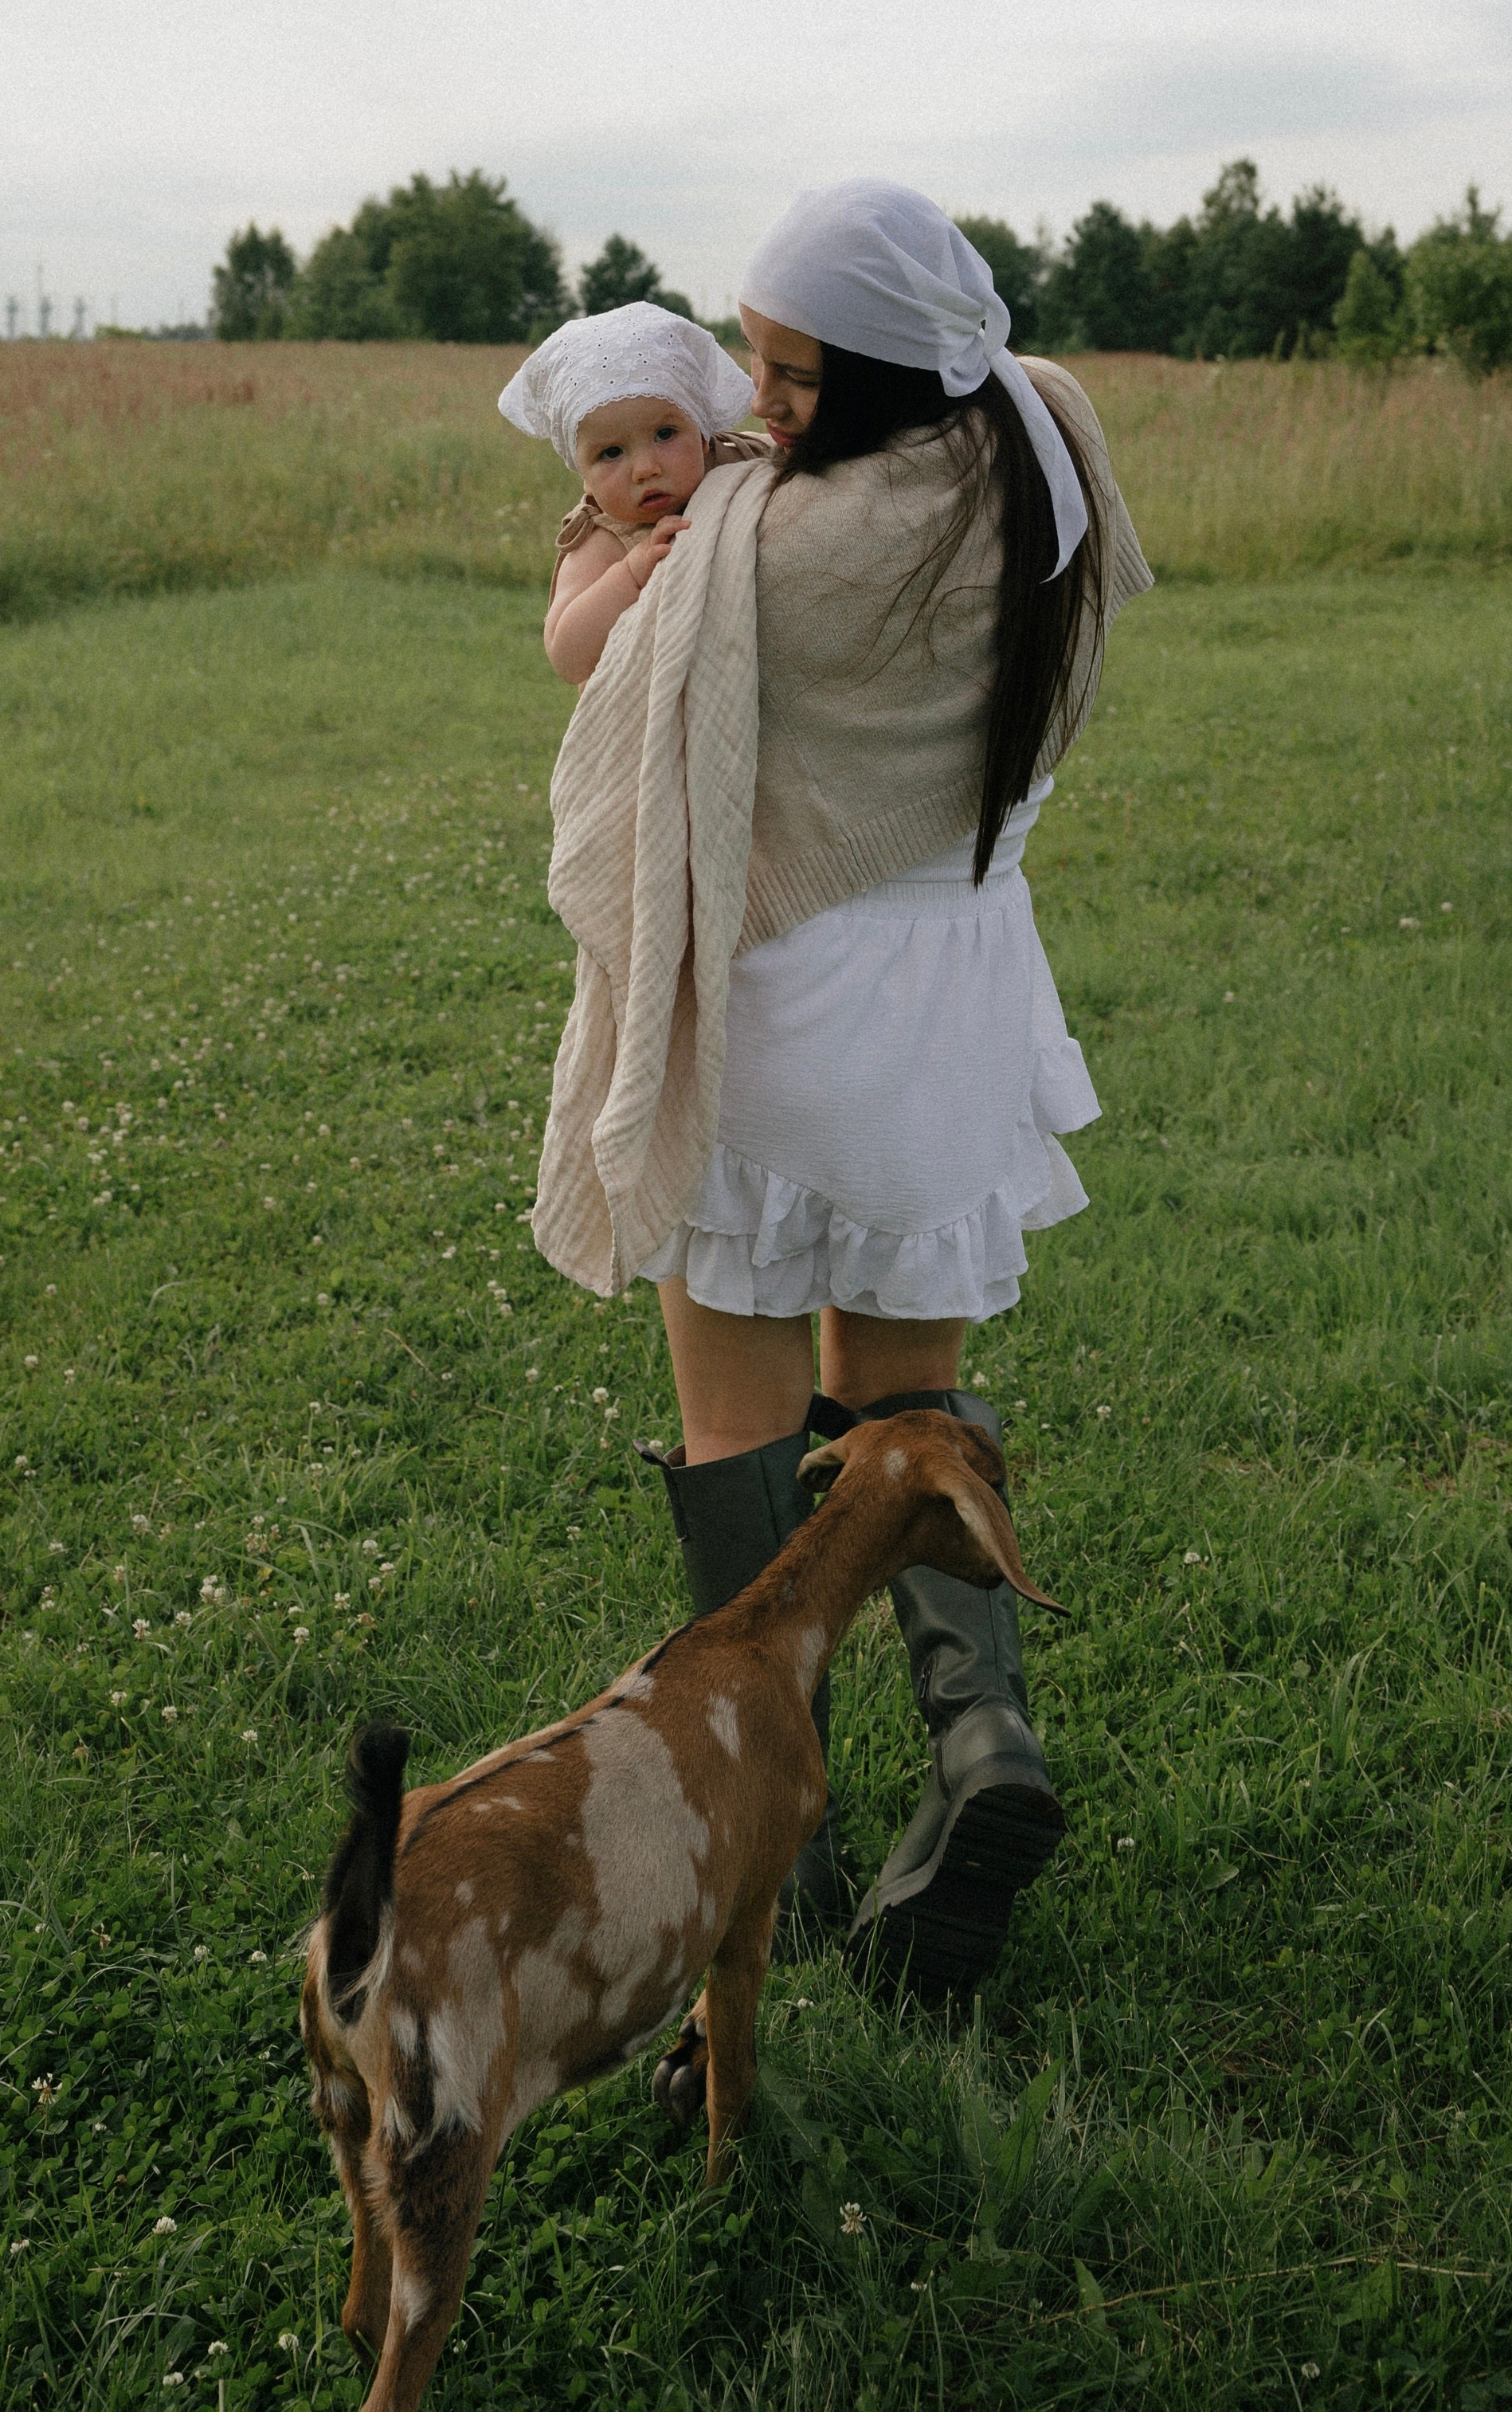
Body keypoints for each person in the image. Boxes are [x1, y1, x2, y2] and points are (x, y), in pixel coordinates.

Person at [535, 182, 1153, 2008]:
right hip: (958, 993)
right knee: (907, 1406)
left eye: (798, 373)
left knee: (735, 1424)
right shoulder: (1042, 444)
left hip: (779, 1006)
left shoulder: (764, 549)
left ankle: (758, 1816)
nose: (758, 402)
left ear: (887, 362)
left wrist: (613, 541)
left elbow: (608, 713)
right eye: (753, 360)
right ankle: (981, 1744)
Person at [496, 300, 762, 684]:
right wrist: (631, 575)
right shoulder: (605, 539)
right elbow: (567, 656)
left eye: (665, 434)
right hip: (646, 720)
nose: (645, 469)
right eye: (611, 453)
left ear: (703, 433)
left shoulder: (740, 459)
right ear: (583, 474)